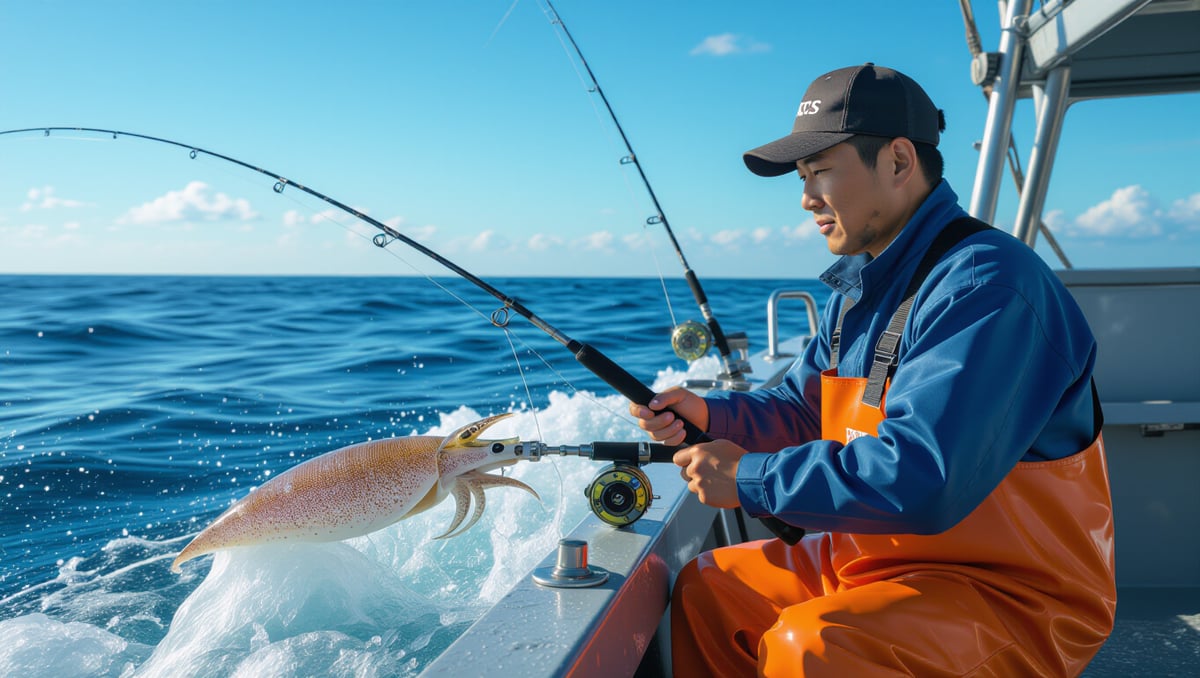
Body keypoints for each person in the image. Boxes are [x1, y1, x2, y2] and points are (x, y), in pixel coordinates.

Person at [630, 64, 1115, 676]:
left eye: (821, 171)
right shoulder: (860, 288)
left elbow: (927, 477)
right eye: (802, 178)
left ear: (898, 161)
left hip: (1008, 594)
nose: (806, 198)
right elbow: (806, 413)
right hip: (876, 563)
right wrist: (711, 413)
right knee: (712, 589)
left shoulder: (990, 284)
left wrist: (749, 477)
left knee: (812, 646)